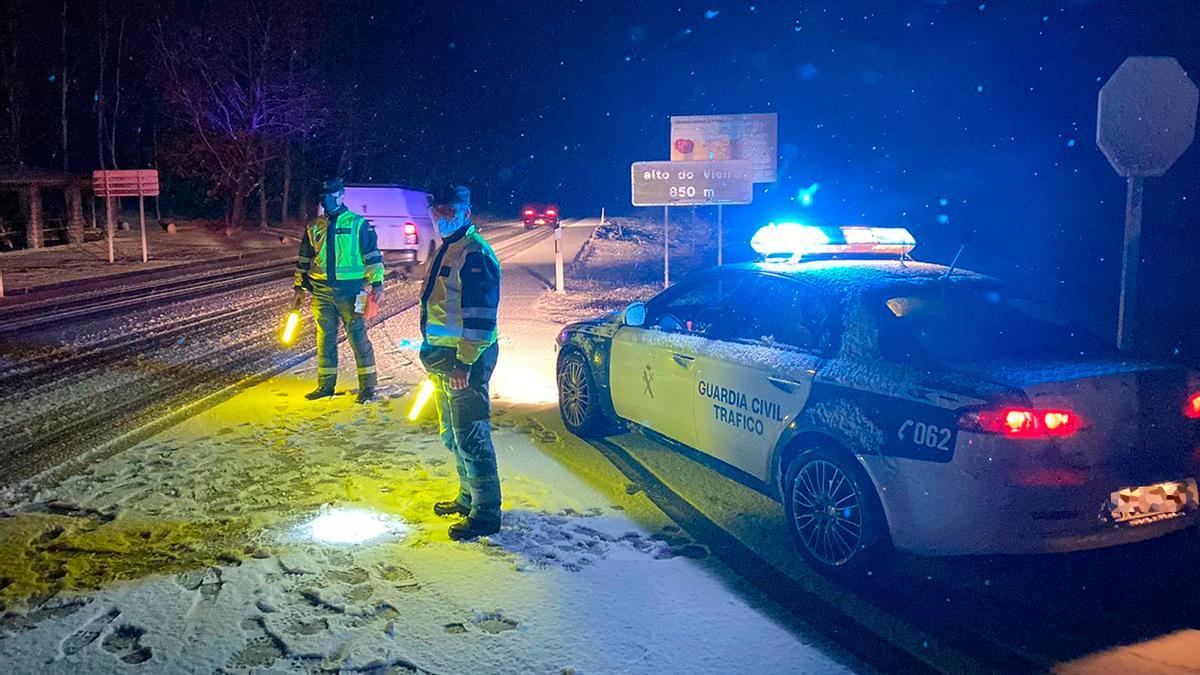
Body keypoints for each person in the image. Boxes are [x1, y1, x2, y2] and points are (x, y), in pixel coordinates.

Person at [420, 185, 503, 540]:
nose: (441, 218)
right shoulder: (450, 249)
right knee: (454, 435)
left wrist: (465, 363)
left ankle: (486, 513)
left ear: (466, 213)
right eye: (437, 212)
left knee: (471, 435)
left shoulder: (474, 254)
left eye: (448, 211)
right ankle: (468, 497)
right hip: (444, 358)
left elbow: (481, 317)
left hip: (464, 360)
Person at [293, 178, 385, 404]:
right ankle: (326, 385)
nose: (324, 202)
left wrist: (377, 283)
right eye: (322, 198)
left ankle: (368, 387)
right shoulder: (315, 226)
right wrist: (299, 287)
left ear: (339, 196)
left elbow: (373, 256)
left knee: (358, 336)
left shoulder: (358, 224)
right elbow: (304, 259)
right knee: (325, 339)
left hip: (355, 290)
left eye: (327, 197)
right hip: (321, 291)